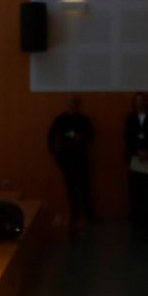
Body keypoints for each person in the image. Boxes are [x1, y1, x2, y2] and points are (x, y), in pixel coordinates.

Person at [47, 96, 95, 231]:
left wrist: (82, 136)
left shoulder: (83, 119)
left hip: (80, 158)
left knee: (84, 187)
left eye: (74, 103)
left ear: (77, 104)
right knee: (70, 188)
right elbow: (51, 134)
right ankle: (75, 213)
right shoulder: (60, 119)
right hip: (66, 158)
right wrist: (53, 150)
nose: (72, 105)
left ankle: (89, 214)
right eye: (69, 103)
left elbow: (91, 134)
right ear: (66, 104)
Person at [122, 92, 148, 229]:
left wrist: (147, 152)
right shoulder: (131, 118)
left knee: (147, 186)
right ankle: (135, 215)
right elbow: (128, 137)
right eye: (137, 100)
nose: (139, 103)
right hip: (134, 156)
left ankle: (147, 214)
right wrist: (137, 151)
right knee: (134, 186)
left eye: (142, 100)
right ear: (134, 102)